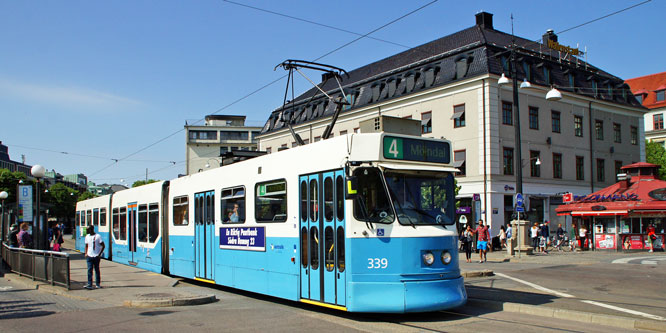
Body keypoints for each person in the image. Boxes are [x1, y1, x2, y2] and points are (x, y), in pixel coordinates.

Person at [84, 225, 105, 289]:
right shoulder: (87, 236)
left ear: (92, 229)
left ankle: (97, 284)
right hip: (89, 256)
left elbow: (103, 245)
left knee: (97, 270)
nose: (87, 231)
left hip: (96, 256)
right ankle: (89, 283)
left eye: (88, 229)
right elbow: (87, 245)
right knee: (89, 270)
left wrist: (99, 254)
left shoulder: (98, 236)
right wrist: (86, 253)